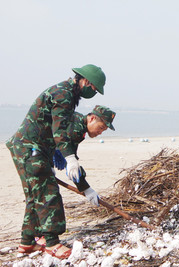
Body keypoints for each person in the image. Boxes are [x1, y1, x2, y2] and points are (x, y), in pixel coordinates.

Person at [5, 64, 107, 259]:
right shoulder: (64, 94)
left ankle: (27, 242)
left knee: (36, 194)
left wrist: (85, 187)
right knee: (48, 193)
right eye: (93, 88)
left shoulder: (68, 93)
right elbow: (59, 131)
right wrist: (68, 158)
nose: (92, 92)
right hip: (30, 148)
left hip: (32, 148)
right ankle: (51, 243)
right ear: (85, 81)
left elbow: (57, 133)